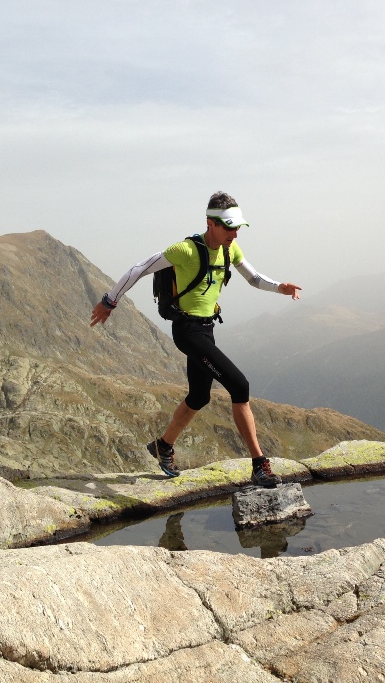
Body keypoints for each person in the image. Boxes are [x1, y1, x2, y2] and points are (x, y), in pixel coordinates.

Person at [90, 191, 302, 488]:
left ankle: (163, 446)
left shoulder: (231, 250)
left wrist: (280, 287)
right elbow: (139, 269)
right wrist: (109, 301)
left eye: (237, 226)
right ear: (210, 223)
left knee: (199, 396)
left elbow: (253, 278)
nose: (234, 233)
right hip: (187, 332)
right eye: (228, 227)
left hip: (206, 330)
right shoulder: (185, 250)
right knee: (239, 385)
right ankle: (259, 465)